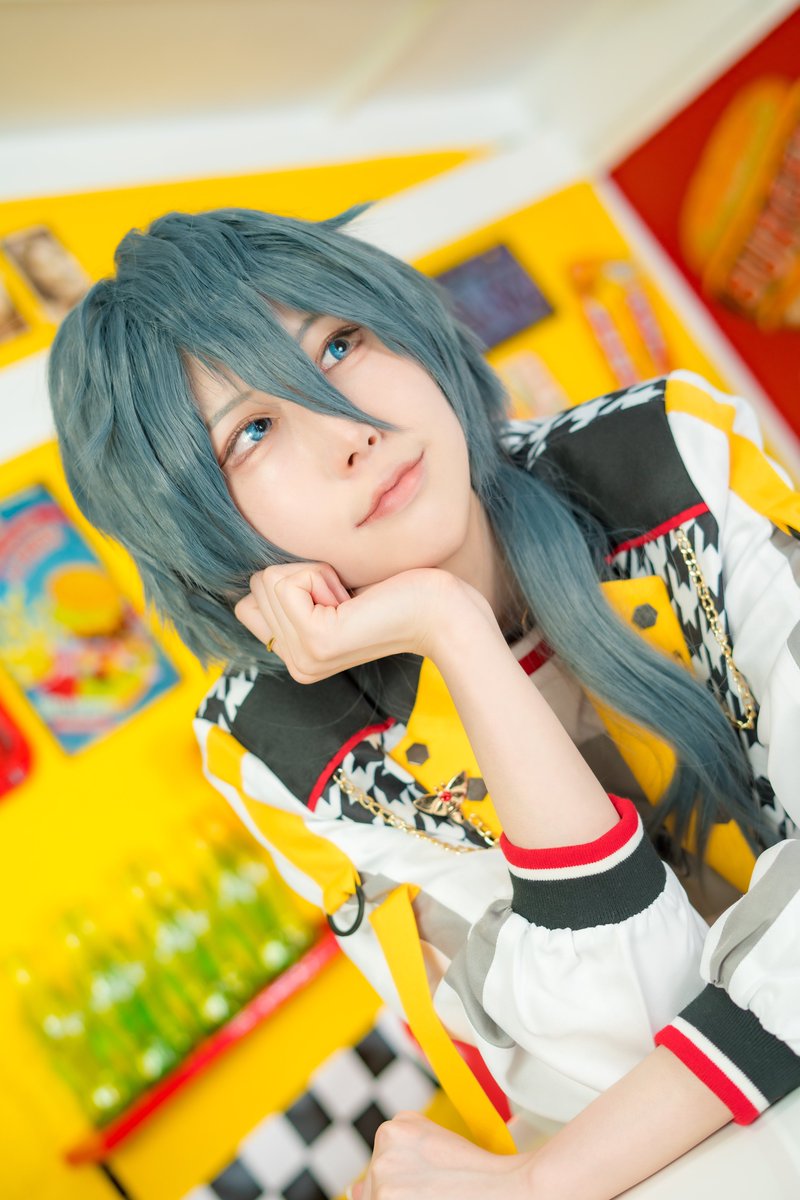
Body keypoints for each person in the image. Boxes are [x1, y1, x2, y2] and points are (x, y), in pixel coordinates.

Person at [48, 205, 800, 1197]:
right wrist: (455, 631)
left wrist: (541, 1185)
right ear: (196, 530)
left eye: (339, 342)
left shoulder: (667, 461)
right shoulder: (282, 743)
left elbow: (623, 1116)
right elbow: (617, 1042)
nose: (348, 430)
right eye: (253, 431)